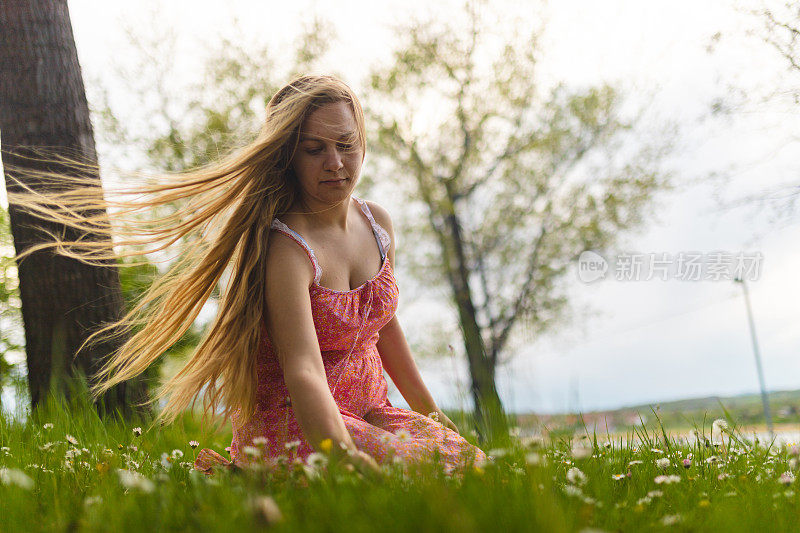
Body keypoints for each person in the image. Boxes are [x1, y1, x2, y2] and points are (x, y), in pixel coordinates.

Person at [7, 74, 487, 475]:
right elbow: (303, 371)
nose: (335, 163)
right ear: (288, 157)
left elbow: (385, 330)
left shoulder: (378, 224)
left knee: (472, 466)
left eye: (346, 144)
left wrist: (432, 416)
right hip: (300, 426)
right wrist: (344, 456)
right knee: (413, 479)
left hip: (369, 411)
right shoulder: (288, 250)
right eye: (314, 149)